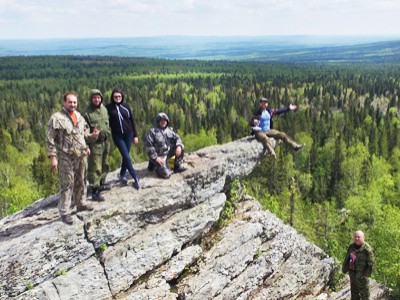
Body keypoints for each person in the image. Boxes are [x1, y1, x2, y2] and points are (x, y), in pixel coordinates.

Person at [46, 91, 94, 225]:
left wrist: (91, 139)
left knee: (82, 179)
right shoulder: (56, 118)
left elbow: (83, 134)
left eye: (74, 102)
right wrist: (52, 157)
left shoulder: (79, 116)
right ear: (64, 102)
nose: (72, 104)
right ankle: (65, 211)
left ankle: (81, 202)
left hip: (82, 154)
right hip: (66, 155)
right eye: (70, 102)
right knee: (67, 183)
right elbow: (50, 139)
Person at [106, 88, 140, 190]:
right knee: (126, 155)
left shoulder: (126, 106)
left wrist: (135, 135)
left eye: (119, 96)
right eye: (115, 96)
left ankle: (122, 174)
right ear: (112, 97)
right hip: (117, 136)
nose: (117, 98)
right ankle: (135, 176)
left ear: (122, 97)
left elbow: (132, 120)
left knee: (126, 156)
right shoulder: (108, 108)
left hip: (129, 134)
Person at [83, 89, 111, 202]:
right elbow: (84, 131)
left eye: (98, 97)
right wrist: (87, 144)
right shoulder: (86, 113)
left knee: (105, 164)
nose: (97, 99)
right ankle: (94, 191)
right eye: (94, 98)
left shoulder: (104, 109)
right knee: (95, 167)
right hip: (94, 144)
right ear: (91, 99)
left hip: (105, 142)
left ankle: (101, 183)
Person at [145, 112, 187, 179]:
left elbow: (177, 138)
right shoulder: (152, 132)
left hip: (167, 154)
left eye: (165, 120)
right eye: (161, 120)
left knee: (180, 147)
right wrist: (156, 158)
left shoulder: (169, 131)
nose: (163, 122)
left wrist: (178, 146)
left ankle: (176, 166)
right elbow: (149, 147)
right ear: (158, 121)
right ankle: (156, 167)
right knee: (166, 174)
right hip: (158, 157)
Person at [342, 230, 375, 300]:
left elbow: (371, 264)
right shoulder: (351, 246)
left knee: (365, 296)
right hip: (352, 275)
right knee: (354, 295)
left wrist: (366, 275)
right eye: (355, 237)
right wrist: (344, 269)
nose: (357, 239)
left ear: (363, 238)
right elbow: (347, 258)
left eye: (359, 237)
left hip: (362, 277)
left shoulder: (367, 249)